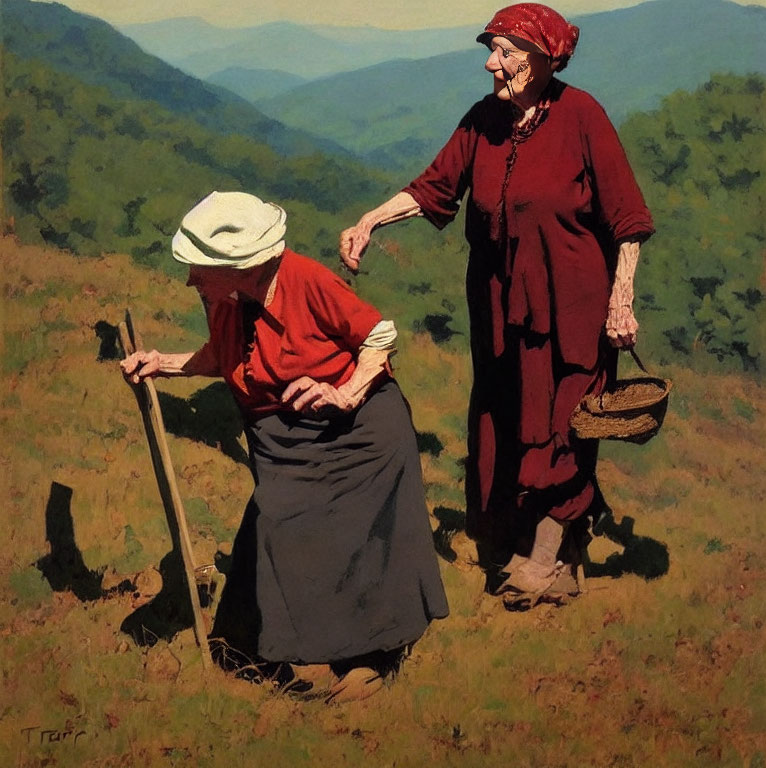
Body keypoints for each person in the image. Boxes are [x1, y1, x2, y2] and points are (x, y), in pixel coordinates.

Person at [339, 3, 654, 610]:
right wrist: (369, 220)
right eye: (493, 51)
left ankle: (549, 552)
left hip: (571, 311)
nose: (491, 64)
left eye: (506, 54)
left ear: (541, 59)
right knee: (507, 418)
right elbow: (434, 187)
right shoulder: (484, 119)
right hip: (498, 309)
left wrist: (621, 299)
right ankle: (533, 541)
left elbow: (628, 218)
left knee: (566, 421)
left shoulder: (583, 115)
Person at [122, 191, 448, 701]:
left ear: (244, 267)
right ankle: (248, 650)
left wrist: (344, 393)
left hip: (356, 432)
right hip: (287, 436)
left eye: (201, 269)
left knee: (348, 539)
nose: (190, 280)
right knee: (274, 524)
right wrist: (162, 363)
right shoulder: (226, 299)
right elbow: (226, 357)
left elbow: (379, 336)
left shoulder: (306, 280)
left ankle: (371, 658)